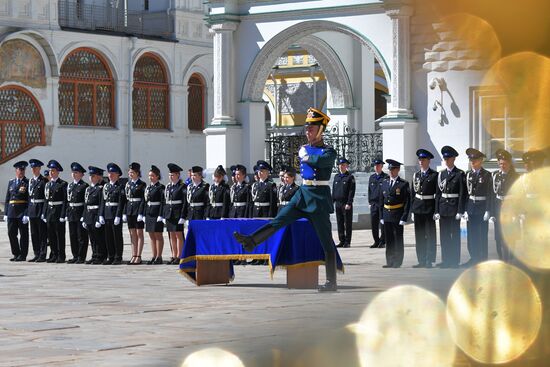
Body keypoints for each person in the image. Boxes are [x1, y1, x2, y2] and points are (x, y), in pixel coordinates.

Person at [234, 107, 339, 291]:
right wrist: (307, 156)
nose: (308, 132)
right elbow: (306, 158)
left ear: (321, 130)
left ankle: (331, 282)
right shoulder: (304, 149)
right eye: (307, 129)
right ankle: (251, 241)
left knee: (326, 242)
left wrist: (308, 157)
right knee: (279, 220)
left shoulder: (330, 152)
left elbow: (321, 162)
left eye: (312, 129)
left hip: (319, 199)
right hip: (303, 194)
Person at [434, 146, 466, 268]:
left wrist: (460, 210)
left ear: (454, 159)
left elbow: (462, 193)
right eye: (445, 158)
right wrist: (436, 210)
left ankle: (454, 261)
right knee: (444, 236)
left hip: (453, 208)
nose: (447, 160)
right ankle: (445, 260)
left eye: (449, 158)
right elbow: (437, 194)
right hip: (443, 208)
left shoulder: (459, 174)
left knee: (454, 236)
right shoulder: (440, 174)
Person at [462, 148, 493, 267]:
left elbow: (490, 194)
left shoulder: (487, 175)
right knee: (471, 235)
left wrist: (488, 210)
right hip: (471, 208)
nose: (472, 162)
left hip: (481, 208)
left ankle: (483, 259)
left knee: (482, 235)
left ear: (481, 160)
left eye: (475, 160)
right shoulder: (468, 174)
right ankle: (473, 258)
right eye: (471, 160)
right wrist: (464, 209)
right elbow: (465, 193)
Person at [379, 159, 410, 269]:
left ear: (398, 170)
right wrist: (381, 216)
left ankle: (398, 261)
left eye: (393, 169)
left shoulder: (403, 184)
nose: (391, 171)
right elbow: (381, 201)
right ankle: (389, 261)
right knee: (389, 239)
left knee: (398, 239)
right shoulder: (384, 182)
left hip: (397, 214)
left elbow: (407, 202)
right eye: (390, 169)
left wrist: (404, 216)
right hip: (387, 214)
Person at [410, 149, 438, 268]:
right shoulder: (416, 175)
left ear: (429, 161)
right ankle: (421, 259)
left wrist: (436, 210)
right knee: (419, 235)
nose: (421, 162)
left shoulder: (434, 175)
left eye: (423, 160)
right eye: (420, 159)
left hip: (429, 207)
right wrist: (412, 209)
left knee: (430, 235)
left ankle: (429, 259)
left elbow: (437, 194)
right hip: (418, 208)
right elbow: (412, 194)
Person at [490, 149, 519, 262]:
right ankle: (501, 257)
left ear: (510, 163)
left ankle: (510, 258)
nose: (502, 166)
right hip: (498, 208)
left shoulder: (516, 176)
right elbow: (492, 195)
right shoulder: (495, 176)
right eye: (500, 163)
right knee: (498, 235)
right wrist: (492, 212)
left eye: (505, 163)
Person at [249, 160, 277, 265]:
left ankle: (265, 257)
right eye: (259, 171)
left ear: (267, 172)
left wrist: (271, 216)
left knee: (265, 235)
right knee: (256, 235)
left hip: (266, 213)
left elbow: (272, 202)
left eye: (263, 171)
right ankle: (257, 257)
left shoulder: (271, 185)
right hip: (256, 212)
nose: (260, 173)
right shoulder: (255, 185)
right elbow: (252, 202)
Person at [99, 163, 126, 265]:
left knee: (117, 236)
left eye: (113, 173)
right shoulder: (106, 186)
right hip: (107, 213)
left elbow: (121, 202)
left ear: (118, 175)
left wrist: (118, 216)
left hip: (115, 213)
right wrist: (101, 214)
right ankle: (110, 256)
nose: (110, 175)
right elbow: (103, 201)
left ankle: (118, 256)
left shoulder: (120, 187)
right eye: (109, 173)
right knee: (108, 236)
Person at [42, 160, 68, 263]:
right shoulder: (48, 184)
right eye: (50, 171)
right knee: (51, 235)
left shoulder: (63, 184)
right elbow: (46, 200)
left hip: (58, 211)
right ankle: (53, 254)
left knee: (59, 235)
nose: (51, 173)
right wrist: (44, 213)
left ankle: (61, 256)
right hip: (49, 211)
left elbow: (65, 200)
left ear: (57, 172)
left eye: (53, 170)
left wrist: (63, 214)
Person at [4, 160, 29, 262]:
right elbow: (7, 199)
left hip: (21, 212)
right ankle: (16, 253)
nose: (21, 172)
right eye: (19, 170)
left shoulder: (27, 182)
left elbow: (28, 200)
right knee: (11, 233)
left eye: (23, 170)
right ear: (16, 170)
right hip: (11, 212)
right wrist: (6, 213)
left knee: (23, 234)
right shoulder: (11, 182)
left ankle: (23, 255)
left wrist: (26, 214)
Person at [66, 162, 89, 264]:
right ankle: (75, 255)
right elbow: (68, 200)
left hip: (80, 212)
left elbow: (85, 202)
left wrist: (84, 215)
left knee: (81, 236)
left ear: (81, 174)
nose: (74, 174)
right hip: (71, 212)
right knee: (72, 235)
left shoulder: (84, 186)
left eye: (76, 172)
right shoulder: (70, 186)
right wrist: (66, 213)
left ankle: (81, 256)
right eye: (73, 172)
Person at [141, 165, 165, 265]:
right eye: (149, 175)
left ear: (157, 176)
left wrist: (161, 215)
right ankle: (154, 255)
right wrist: (143, 214)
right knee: (151, 235)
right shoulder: (148, 187)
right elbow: (145, 201)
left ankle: (159, 256)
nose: (150, 177)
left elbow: (162, 202)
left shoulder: (161, 187)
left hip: (156, 212)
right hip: (149, 213)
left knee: (158, 235)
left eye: (152, 175)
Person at [164, 163, 187, 265]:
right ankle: (174, 255)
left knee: (178, 235)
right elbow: (166, 201)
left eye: (172, 175)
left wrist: (183, 216)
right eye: (169, 175)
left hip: (177, 214)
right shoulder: (168, 187)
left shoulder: (182, 187)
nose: (170, 177)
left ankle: (180, 255)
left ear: (178, 175)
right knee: (171, 235)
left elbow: (184, 203)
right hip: (169, 213)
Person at [124, 162, 147, 265]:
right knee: (132, 233)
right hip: (130, 210)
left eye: (132, 172)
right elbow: (126, 199)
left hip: (138, 210)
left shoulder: (142, 184)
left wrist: (141, 213)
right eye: (129, 172)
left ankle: (138, 255)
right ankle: (133, 254)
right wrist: (125, 212)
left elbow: (143, 200)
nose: (130, 173)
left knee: (139, 233)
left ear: (137, 173)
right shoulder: (128, 184)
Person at [82, 166, 106, 264]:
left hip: (96, 215)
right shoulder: (88, 189)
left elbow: (101, 204)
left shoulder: (100, 189)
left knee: (99, 237)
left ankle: (100, 256)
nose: (91, 177)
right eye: (90, 176)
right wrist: (84, 217)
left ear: (98, 177)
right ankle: (94, 254)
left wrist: (100, 216)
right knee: (92, 237)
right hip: (89, 214)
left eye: (94, 176)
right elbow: (86, 204)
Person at [27, 159, 48, 262]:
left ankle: (42, 254)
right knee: (34, 233)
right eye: (32, 168)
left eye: (35, 168)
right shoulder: (31, 181)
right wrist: (27, 212)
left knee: (42, 233)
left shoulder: (43, 181)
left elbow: (46, 198)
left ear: (39, 168)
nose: (34, 170)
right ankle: (36, 253)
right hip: (32, 209)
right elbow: (28, 197)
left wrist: (44, 212)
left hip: (40, 208)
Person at [332, 157, 356, 248]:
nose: (341, 166)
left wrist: (349, 203)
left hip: (345, 204)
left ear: (346, 166)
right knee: (339, 222)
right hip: (337, 203)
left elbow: (351, 191)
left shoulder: (350, 177)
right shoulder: (336, 176)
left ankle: (347, 241)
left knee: (347, 223)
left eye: (343, 165)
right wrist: (332, 200)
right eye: (340, 165)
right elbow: (334, 190)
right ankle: (341, 240)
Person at [368, 158, 388, 248]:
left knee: (382, 223)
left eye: (378, 166)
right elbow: (369, 191)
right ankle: (376, 241)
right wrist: (369, 202)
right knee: (374, 223)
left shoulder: (385, 177)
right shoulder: (371, 177)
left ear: (382, 166)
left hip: (382, 204)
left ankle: (383, 241)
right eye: (375, 166)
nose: (376, 167)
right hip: (374, 204)